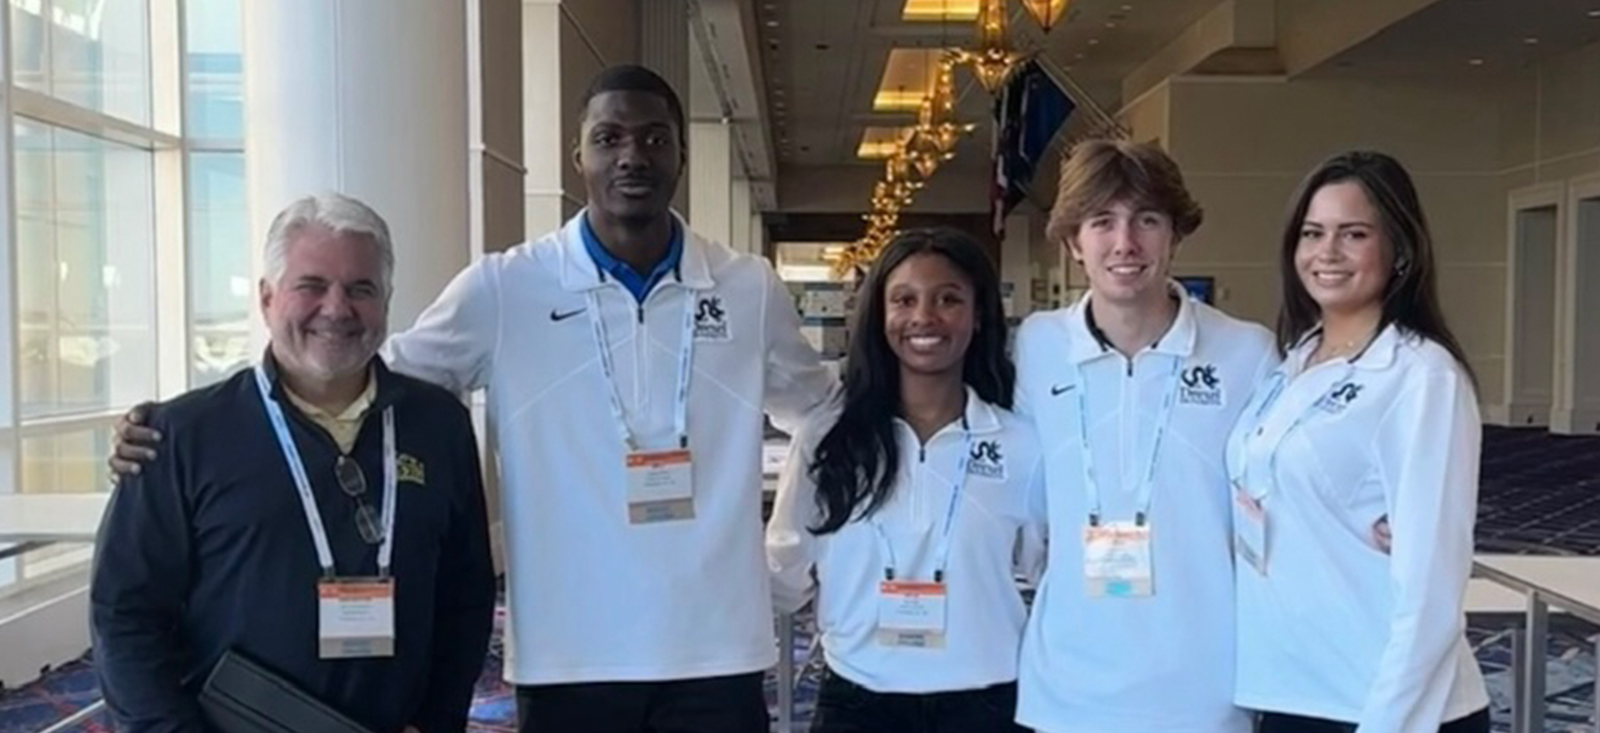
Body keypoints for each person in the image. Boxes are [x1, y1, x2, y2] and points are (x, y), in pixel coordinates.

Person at [111, 65, 830, 733]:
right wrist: (200, 426)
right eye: (607, 138)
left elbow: (828, 416)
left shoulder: (746, 287)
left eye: (653, 138)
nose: (631, 156)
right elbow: (355, 365)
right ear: (577, 157)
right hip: (568, 653)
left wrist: (786, 557)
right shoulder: (506, 286)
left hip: (718, 646)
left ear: (678, 155)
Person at [91, 193, 496, 733]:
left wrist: (438, 720)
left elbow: (465, 594)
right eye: (312, 285)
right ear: (266, 298)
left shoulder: (438, 425)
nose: (336, 308)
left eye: (361, 289)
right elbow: (125, 613)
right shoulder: (180, 437)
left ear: (388, 300)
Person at [1012, 138, 1277, 733]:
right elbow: (1022, 496)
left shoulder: (1247, 352)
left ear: (1176, 235)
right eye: (1102, 221)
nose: (1125, 243)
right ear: (1073, 243)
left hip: (1205, 687)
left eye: (1147, 221)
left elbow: (1283, 494)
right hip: (1066, 686)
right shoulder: (1037, 346)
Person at [1226, 151, 1490, 733]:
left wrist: (1389, 721)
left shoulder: (1421, 376)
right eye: (1313, 233)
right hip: (1292, 689)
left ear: (1399, 249)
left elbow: (1432, 584)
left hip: (1383, 703)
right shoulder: (1293, 360)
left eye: (1354, 234)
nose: (1327, 253)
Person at [767, 228, 1045, 732]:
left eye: (949, 299)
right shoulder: (828, 436)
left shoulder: (1020, 443)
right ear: (879, 315)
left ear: (979, 315)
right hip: (857, 702)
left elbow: (1052, 571)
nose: (924, 318)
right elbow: (785, 565)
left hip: (987, 704)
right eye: (904, 300)